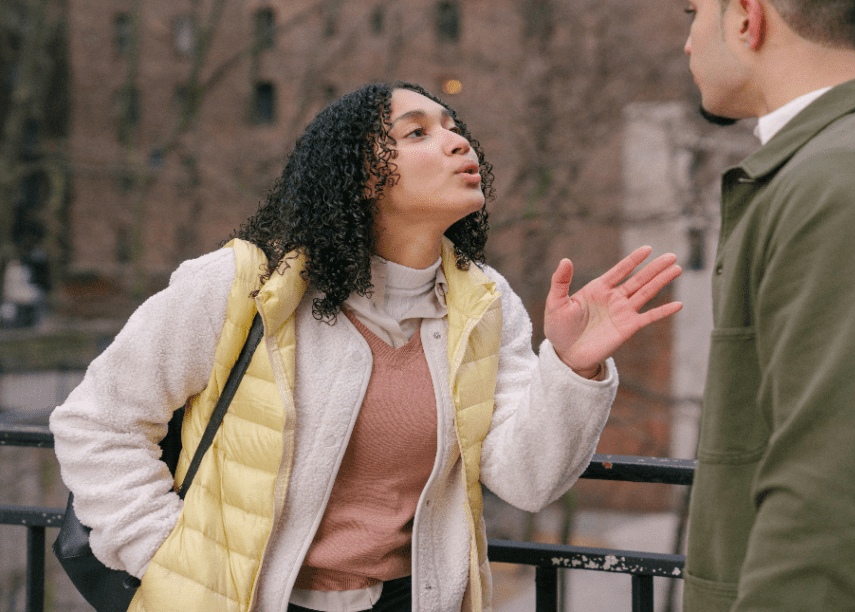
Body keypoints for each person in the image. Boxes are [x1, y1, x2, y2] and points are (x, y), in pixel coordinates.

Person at [50, 82, 682, 612]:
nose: (457, 141)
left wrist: (574, 365)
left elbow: (526, 479)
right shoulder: (245, 284)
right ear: (358, 176)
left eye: (453, 127)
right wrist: (175, 559)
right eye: (417, 133)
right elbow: (97, 424)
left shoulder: (484, 304)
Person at [681, 0, 855, 610]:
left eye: (692, 12)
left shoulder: (845, 180)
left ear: (745, 19)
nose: (687, 41)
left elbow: (832, 490)